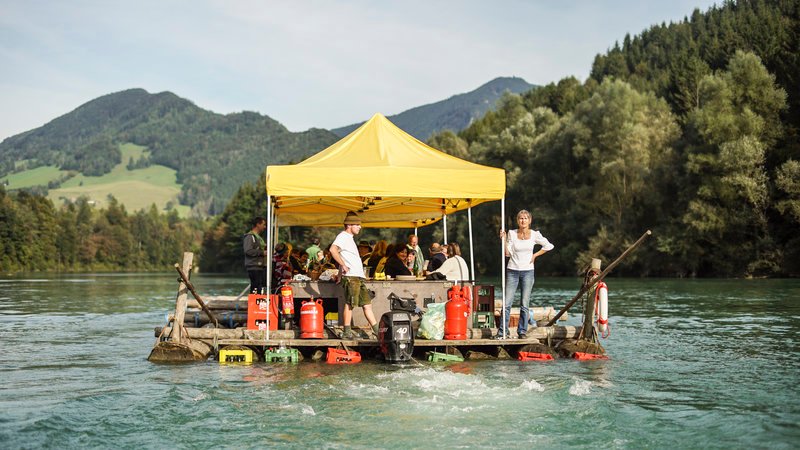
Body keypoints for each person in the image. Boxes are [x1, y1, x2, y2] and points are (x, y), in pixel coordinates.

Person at [495, 209, 554, 339]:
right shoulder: (511, 233)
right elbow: (507, 254)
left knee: (524, 304)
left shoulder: (534, 234)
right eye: (521, 218)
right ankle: (503, 331)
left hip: (528, 271)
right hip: (512, 270)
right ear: (518, 220)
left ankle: (522, 331)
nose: (523, 220)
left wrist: (535, 255)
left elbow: (549, 246)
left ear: (530, 221)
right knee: (507, 303)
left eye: (525, 218)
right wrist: (503, 240)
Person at [329, 211, 379, 339]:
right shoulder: (343, 236)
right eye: (357, 225)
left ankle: (378, 331)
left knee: (367, 305)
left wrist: (340, 272)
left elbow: (341, 256)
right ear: (349, 225)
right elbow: (333, 250)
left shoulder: (348, 238)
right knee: (350, 304)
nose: (360, 227)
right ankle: (346, 332)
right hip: (351, 277)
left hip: (357, 277)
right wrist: (344, 266)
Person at [243, 217, 268, 293]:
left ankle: (257, 302)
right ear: (258, 224)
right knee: (256, 286)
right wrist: (262, 252)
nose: (265, 227)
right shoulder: (250, 237)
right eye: (263, 224)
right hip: (254, 266)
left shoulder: (258, 237)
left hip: (260, 266)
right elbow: (248, 250)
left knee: (259, 286)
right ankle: (254, 303)